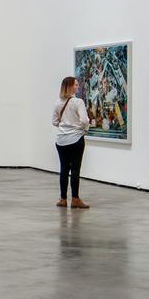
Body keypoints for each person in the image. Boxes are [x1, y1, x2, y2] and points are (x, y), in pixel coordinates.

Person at [51, 75, 90, 209]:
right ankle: (75, 199)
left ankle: (63, 199)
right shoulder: (78, 102)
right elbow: (84, 120)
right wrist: (83, 129)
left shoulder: (57, 103)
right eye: (76, 84)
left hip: (61, 140)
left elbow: (54, 122)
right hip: (76, 139)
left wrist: (65, 126)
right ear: (70, 87)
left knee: (63, 169)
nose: (78, 87)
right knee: (75, 170)